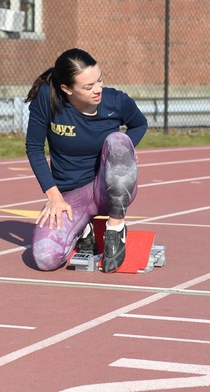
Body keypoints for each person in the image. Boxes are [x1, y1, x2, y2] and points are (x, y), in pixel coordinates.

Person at [24, 49, 148, 272]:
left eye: (99, 80)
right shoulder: (47, 98)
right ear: (67, 89)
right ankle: (84, 230)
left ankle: (116, 229)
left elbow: (140, 124)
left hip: (107, 189)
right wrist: (54, 197)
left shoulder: (117, 101)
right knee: (45, 259)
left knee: (118, 140)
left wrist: (125, 148)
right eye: (88, 87)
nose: (98, 89)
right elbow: (34, 148)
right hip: (71, 197)